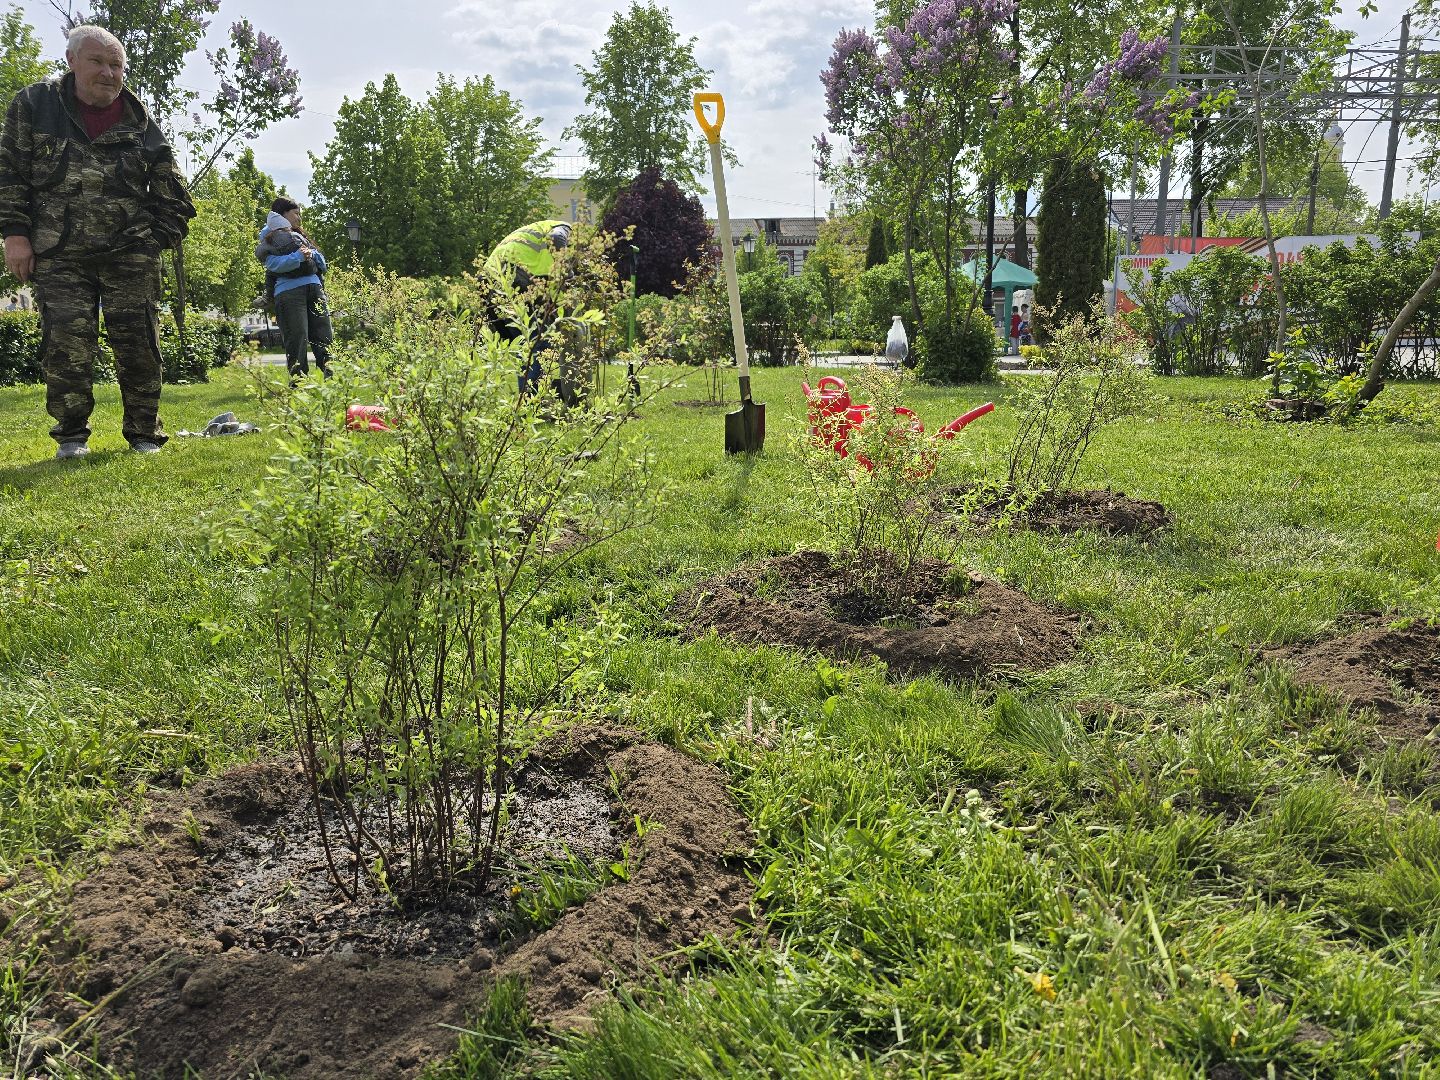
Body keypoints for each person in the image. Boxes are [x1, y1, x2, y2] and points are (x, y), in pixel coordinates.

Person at [0, 24, 194, 459]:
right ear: (71, 61)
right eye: (98, 62)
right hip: (58, 252)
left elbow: (174, 194)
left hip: (129, 255)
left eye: (116, 65)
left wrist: (152, 241)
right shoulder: (34, 104)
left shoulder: (139, 120)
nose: (108, 73)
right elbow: (9, 172)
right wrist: (15, 235)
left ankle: (144, 435)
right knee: (66, 346)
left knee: (140, 345)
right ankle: (71, 439)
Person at [483, 219, 571, 397]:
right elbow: (556, 237)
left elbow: (552, 295)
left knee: (523, 345)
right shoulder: (563, 228)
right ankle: (530, 403)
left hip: (488, 280)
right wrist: (568, 272)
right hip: (512, 276)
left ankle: (527, 400)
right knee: (538, 344)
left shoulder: (538, 250)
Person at [257, 197, 331, 381]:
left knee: (324, 335)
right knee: (297, 338)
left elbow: (322, 262)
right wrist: (297, 257)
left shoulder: (300, 236)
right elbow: (273, 265)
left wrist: (311, 253)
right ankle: (299, 384)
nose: (299, 218)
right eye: (295, 213)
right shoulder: (269, 239)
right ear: (282, 215)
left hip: (314, 289)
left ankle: (333, 379)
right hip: (289, 294)